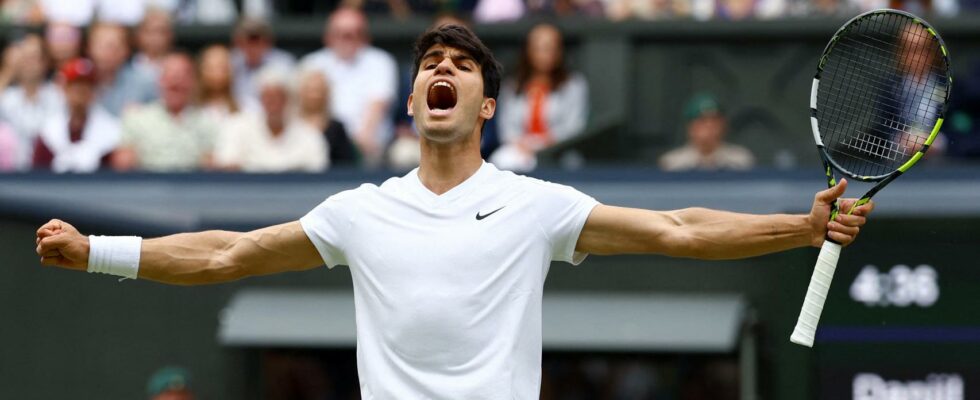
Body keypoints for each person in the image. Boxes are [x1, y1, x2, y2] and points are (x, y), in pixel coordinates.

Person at [35, 25, 873, 399]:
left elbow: (680, 231)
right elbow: (225, 254)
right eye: (430, 62)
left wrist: (799, 230)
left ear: (483, 107)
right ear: (412, 103)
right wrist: (99, 251)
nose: (443, 68)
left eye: (461, 65)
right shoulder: (361, 211)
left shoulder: (534, 204)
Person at [300, 7, 397, 166]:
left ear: (364, 37)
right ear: (328, 37)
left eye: (354, 34)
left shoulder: (380, 61)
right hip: (321, 141)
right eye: (341, 34)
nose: (347, 39)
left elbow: (378, 105)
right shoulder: (312, 63)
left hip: (368, 146)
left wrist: (359, 144)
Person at [493, 23, 588, 172]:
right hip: (520, 150)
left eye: (551, 48)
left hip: (557, 151)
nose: (545, 54)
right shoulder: (512, 85)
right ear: (528, 50)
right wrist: (522, 145)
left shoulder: (573, 85)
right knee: (501, 161)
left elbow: (574, 128)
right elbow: (507, 128)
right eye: (540, 48)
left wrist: (545, 143)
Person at [111, 53, 214, 172]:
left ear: (193, 82)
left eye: (182, 76)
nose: (175, 82)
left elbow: (213, 166)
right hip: (146, 184)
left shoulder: (208, 121)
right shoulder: (136, 118)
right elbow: (122, 163)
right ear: (159, 81)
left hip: (193, 186)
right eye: (170, 76)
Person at [214, 66, 328, 172]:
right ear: (259, 99)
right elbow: (227, 165)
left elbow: (317, 171)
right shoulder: (236, 127)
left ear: (288, 99)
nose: (273, 104)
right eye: (268, 98)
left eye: (279, 98)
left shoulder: (310, 135)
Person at [33, 57, 120, 172]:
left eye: (87, 86)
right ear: (64, 89)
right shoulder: (48, 129)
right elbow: (36, 176)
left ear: (95, 91)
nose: (80, 92)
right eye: (75, 85)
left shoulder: (111, 130)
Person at [0, 34, 62, 170]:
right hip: (11, 174)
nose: (28, 63)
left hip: (50, 172)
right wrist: (8, 71)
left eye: (34, 57)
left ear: (45, 62)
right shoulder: (7, 98)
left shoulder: (58, 96)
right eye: (24, 57)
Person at [659, 93, 755, 171]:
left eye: (715, 120)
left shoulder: (740, 159)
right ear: (690, 127)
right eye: (702, 121)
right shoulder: (672, 162)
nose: (710, 126)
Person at [87, 22, 158, 116]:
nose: (107, 52)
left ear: (126, 50)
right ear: (89, 48)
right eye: (100, 45)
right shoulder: (78, 81)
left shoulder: (146, 82)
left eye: (113, 47)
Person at [230, 16, 295, 110]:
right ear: (237, 41)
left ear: (268, 41)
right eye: (246, 39)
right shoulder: (230, 63)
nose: (251, 44)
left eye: (255, 38)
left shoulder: (284, 64)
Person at [296, 68, 356, 167]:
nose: (314, 96)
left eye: (319, 90)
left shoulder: (337, 128)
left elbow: (346, 166)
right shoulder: (289, 125)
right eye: (310, 90)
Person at [196, 45, 240, 127]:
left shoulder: (245, 108)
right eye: (211, 68)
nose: (216, 73)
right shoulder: (190, 110)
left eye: (222, 67)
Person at [132, 7, 175, 81]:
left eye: (161, 31)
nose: (155, 38)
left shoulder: (178, 68)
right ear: (139, 35)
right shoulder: (124, 67)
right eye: (150, 32)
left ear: (170, 35)